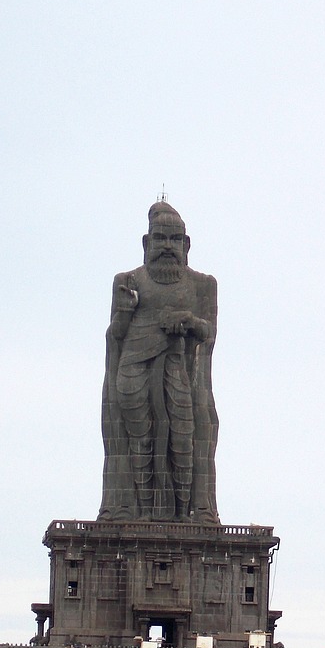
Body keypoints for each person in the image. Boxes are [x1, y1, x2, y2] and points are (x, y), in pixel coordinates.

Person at [98, 200, 220, 523]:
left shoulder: (202, 285)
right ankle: (138, 511)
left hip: (178, 369)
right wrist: (125, 312)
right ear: (146, 242)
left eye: (175, 239)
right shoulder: (129, 281)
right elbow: (116, 335)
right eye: (160, 238)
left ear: (186, 244)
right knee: (139, 442)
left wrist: (188, 321)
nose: (168, 246)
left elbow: (209, 333)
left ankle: (184, 512)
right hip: (133, 369)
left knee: (183, 438)